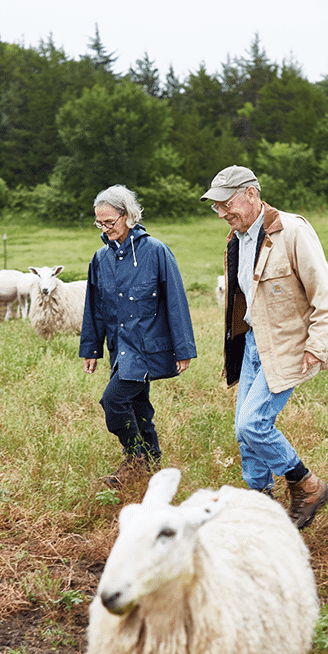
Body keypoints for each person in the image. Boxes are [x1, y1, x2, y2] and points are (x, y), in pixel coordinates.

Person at [201, 165, 328, 529]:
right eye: (216, 206)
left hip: (288, 345)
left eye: (225, 203)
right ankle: (260, 501)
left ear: (251, 194)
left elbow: (327, 297)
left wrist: (316, 346)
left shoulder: (292, 230)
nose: (221, 213)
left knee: (253, 424)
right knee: (243, 431)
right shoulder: (237, 238)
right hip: (251, 343)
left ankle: (307, 485)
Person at [80, 184, 196, 488]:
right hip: (120, 347)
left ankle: (136, 458)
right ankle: (153, 463)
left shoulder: (156, 251)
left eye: (110, 222)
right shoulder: (100, 259)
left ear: (128, 216)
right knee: (138, 404)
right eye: (99, 223)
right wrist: (91, 348)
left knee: (113, 402)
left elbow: (175, 301)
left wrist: (183, 348)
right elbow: (93, 306)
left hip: (146, 347)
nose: (105, 229)